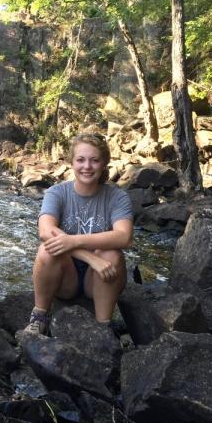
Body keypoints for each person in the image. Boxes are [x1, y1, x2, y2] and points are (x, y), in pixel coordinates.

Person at [24, 132, 133, 335]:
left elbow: (124, 237)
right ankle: (39, 317)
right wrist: (90, 257)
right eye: (80, 160)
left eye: (94, 160)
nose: (87, 167)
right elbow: (45, 231)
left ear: (104, 164)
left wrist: (72, 240)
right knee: (47, 250)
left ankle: (103, 329)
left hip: (102, 275)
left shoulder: (117, 197)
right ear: (71, 163)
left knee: (112, 254)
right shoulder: (57, 193)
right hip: (66, 277)